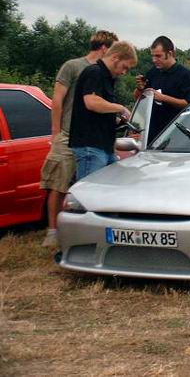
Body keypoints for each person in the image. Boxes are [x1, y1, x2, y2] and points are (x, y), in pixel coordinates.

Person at [40, 30, 119, 247]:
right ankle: (53, 231)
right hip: (67, 134)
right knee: (59, 183)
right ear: (104, 48)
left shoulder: (107, 73)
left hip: (93, 137)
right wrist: (56, 132)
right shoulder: (73, 66)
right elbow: (57, 99)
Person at [69, 41, 137, 181]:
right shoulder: (95, 72)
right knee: (91, 193)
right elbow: (91, 102)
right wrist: (120, 108)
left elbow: (100, 111)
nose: (124, 72)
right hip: (91, 146)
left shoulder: (108, 78)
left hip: (104, 146)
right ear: (115, 57)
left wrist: (118, 121)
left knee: (112, 186)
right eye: (125, 67)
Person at [134, 36, 190, 143]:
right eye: (153, 56)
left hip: (180, 138)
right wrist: (139, 88)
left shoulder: (187, 76)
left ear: (170, 54)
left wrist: (163, 98)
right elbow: (138, 99)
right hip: (154, 138)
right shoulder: (153, 73)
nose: (154, 60)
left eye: (158, 56)